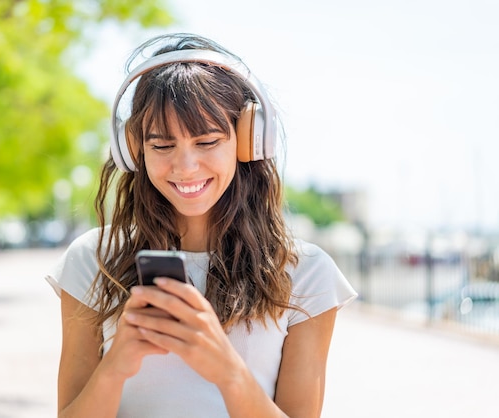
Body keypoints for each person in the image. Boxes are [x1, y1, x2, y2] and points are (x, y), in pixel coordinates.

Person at [46, 32, 357, 418]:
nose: (185, 166)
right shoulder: (92, 261)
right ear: (133, 149)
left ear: (248, 141)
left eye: (207, 141)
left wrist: (227, 371)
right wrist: (115, 368)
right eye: (161, 146)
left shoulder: (306, 274)